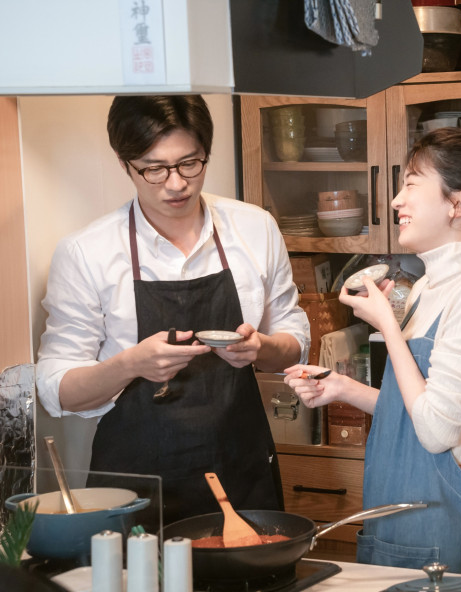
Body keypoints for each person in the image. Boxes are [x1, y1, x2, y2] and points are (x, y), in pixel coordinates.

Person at [36, 95, 310, 525]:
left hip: (241, 473)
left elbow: (293, 342)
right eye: (154, 168)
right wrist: (131, 364)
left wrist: (261, 348)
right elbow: (57, 390)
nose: (176, 183)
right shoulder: (86, 252)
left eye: (190, 163)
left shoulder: (255, 228)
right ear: (124, 162)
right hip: (133, 487)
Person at [283, 128, 461, 577]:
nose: (396, 201)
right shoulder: (424, 288)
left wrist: (387, 327)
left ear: (459, 204)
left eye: (411, 185)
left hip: (440, 519)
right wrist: (342, 387)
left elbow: (436, 433)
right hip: (397, 510)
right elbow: (414, 409)